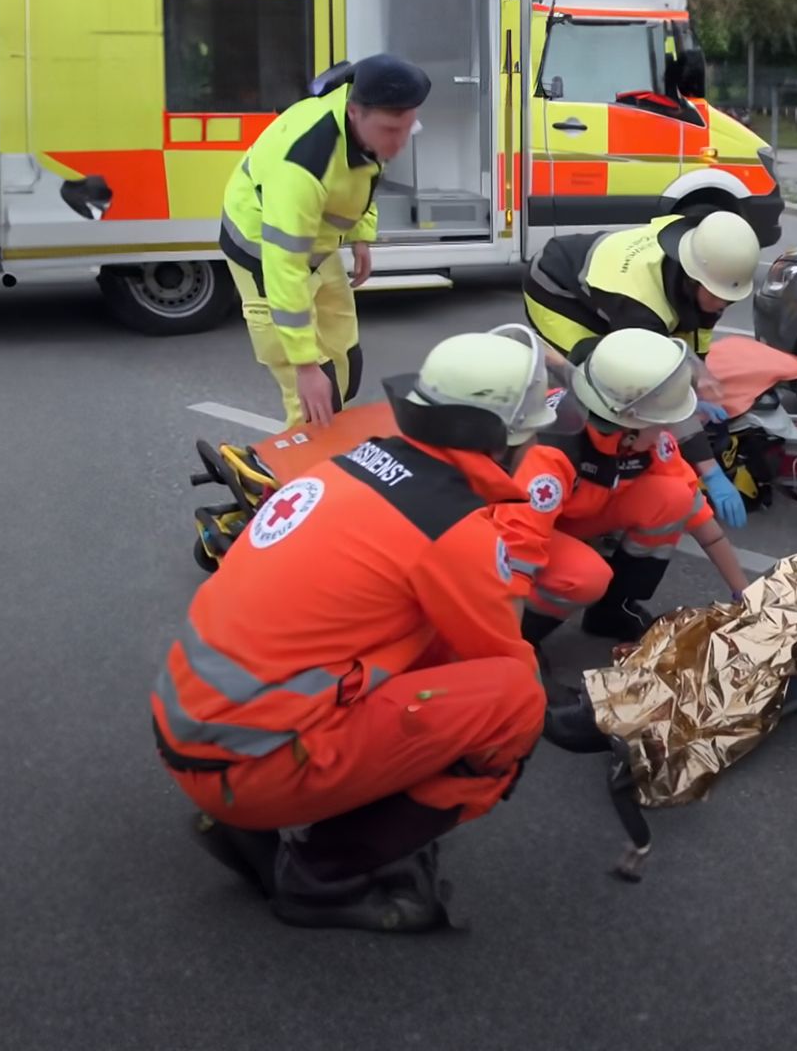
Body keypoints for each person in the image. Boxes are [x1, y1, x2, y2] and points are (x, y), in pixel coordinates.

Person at [151, 325, 563, 932]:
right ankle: (320, 877)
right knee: (515, 703)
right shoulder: (450, 528)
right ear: (500, 442)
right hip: (247, 763)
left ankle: (262, 811)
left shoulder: (349, 467)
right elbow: (502, 662)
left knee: (429, 642)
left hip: (195, 726)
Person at [500, 328, 754, 648]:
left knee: (672, 498)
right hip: (500, 534)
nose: (671, 430)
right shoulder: (553, 450)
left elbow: (698, 517)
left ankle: (611, 611)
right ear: (628, 422)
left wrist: (744, 594)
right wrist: (512, 658)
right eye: (663, 421)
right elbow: (514, 557)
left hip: (566, 518)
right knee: (584, 576)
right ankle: (522, 639)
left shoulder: (641, 438)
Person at [220, 54, 431, 430]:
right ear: (354, 113)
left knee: (345, 359)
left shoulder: (371, 122)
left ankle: (335, 449)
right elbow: (283, 267)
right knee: (313, 396)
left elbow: (365, 175)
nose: (398, 143)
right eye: (390, 131)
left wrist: (361, 235)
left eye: (407, 129)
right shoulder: (304, 165)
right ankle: (298, 481)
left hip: (315, 240)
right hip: (264, 250)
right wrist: (304, 365)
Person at [520, 208, 764, 529]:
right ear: (693, 280)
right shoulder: (641, 306)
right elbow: (657, 385)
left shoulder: (701, 263)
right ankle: (583, 475)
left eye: (729, 300)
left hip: (603, 290)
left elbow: (697, 334)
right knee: (599, 383)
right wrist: (711, 472)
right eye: (720, 298)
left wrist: (694, 383)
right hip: (555, 288)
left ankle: (622, 459)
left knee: (643, 390)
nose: (724, 306)